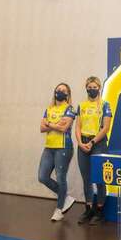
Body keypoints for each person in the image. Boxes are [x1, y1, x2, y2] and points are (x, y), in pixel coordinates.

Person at [75, 76, 112, 225]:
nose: (92, 89)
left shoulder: (105, 105)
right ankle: (88, 208)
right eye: (89, 87)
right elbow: (77, 126)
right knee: (86, 178)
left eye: (94, 87)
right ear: (86, 88)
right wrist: (79, 142)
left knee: (99, 178)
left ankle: (100, 210)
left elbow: (106, 127)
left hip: (98, 143)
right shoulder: (81, 105)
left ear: (99, 88)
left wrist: (92, 142)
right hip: (82, 143)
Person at [38, 83, 76, 221]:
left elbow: (64, 128)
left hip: (63, 147)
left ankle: (59, 210)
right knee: (42, 177)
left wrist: (49, 124)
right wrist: (54, 125)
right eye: (58, 90)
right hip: (49, 147)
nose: (59, 92)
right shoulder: (49, 109)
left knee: (61, 178)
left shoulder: (70, 109)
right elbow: (41, 128)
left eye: (63, 90)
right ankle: (65, 197)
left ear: (68, 94)